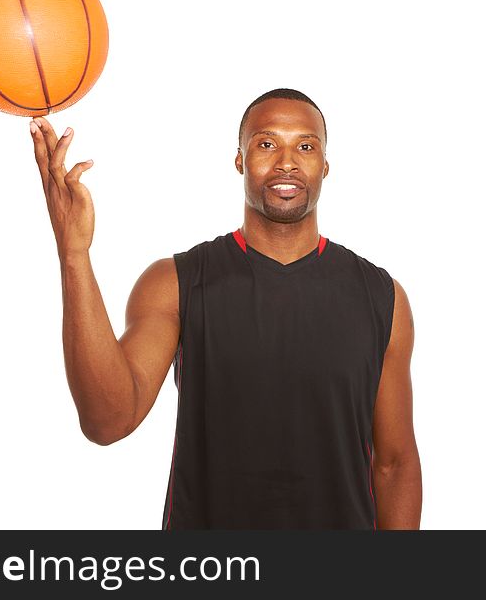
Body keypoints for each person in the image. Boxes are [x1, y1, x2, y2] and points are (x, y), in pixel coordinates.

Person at [29, 88, 422, 529]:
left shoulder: (381, 296)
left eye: (306, 146)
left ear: (325, 166)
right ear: (239, 159)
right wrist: (74, 255)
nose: (287, 161)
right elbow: (107, 420)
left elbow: (394, 464)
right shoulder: (176, 283)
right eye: (266, 144)